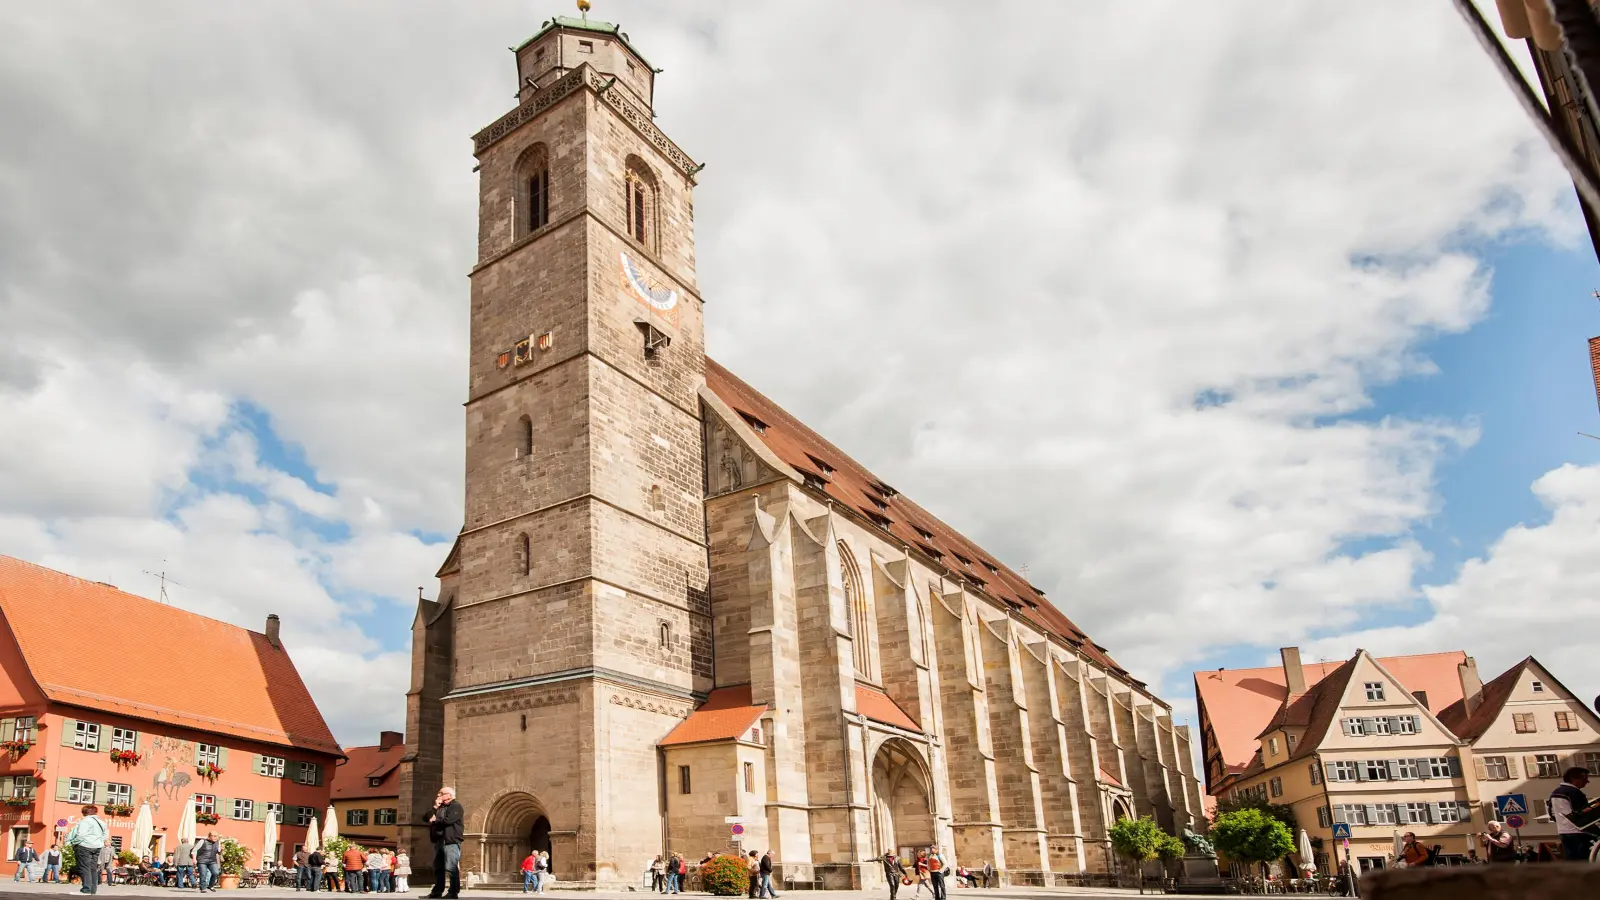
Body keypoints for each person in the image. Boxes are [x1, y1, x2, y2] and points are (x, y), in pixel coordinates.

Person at [426, 786, 464, 899]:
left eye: (441, 793)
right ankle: (437, 891)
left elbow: (449, 820)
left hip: (451, 840)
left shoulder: (456, 805)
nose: (439, 795)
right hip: (439, 840)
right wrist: (435, 807)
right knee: (438, 867)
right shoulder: (440, 807)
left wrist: (435, 820)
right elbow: (425, 817)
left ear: (449, 795)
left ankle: (453, 892)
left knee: (451, 867)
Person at [1551, 766, 1595, 861]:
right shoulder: (1574, 792)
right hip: (1579, 832)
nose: (1587, 781)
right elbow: (1582, 813)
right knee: (1583, 860)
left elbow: (1552, 813)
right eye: (1585, 778)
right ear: (1575, 779)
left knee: (1571, 859)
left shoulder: (1555, 792)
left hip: (1563, 831)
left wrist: (1562, 823)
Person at [65, 807, 107, 895]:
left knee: (84, 867)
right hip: (97, 847)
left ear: (84, 812)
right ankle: (92, 890)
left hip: (84, 846)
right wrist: (98, 843)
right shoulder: (102, 822)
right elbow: (105, 836)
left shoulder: (85, 821)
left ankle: (86, 889)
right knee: (93, 868)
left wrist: (74, 843)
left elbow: (81, 834)